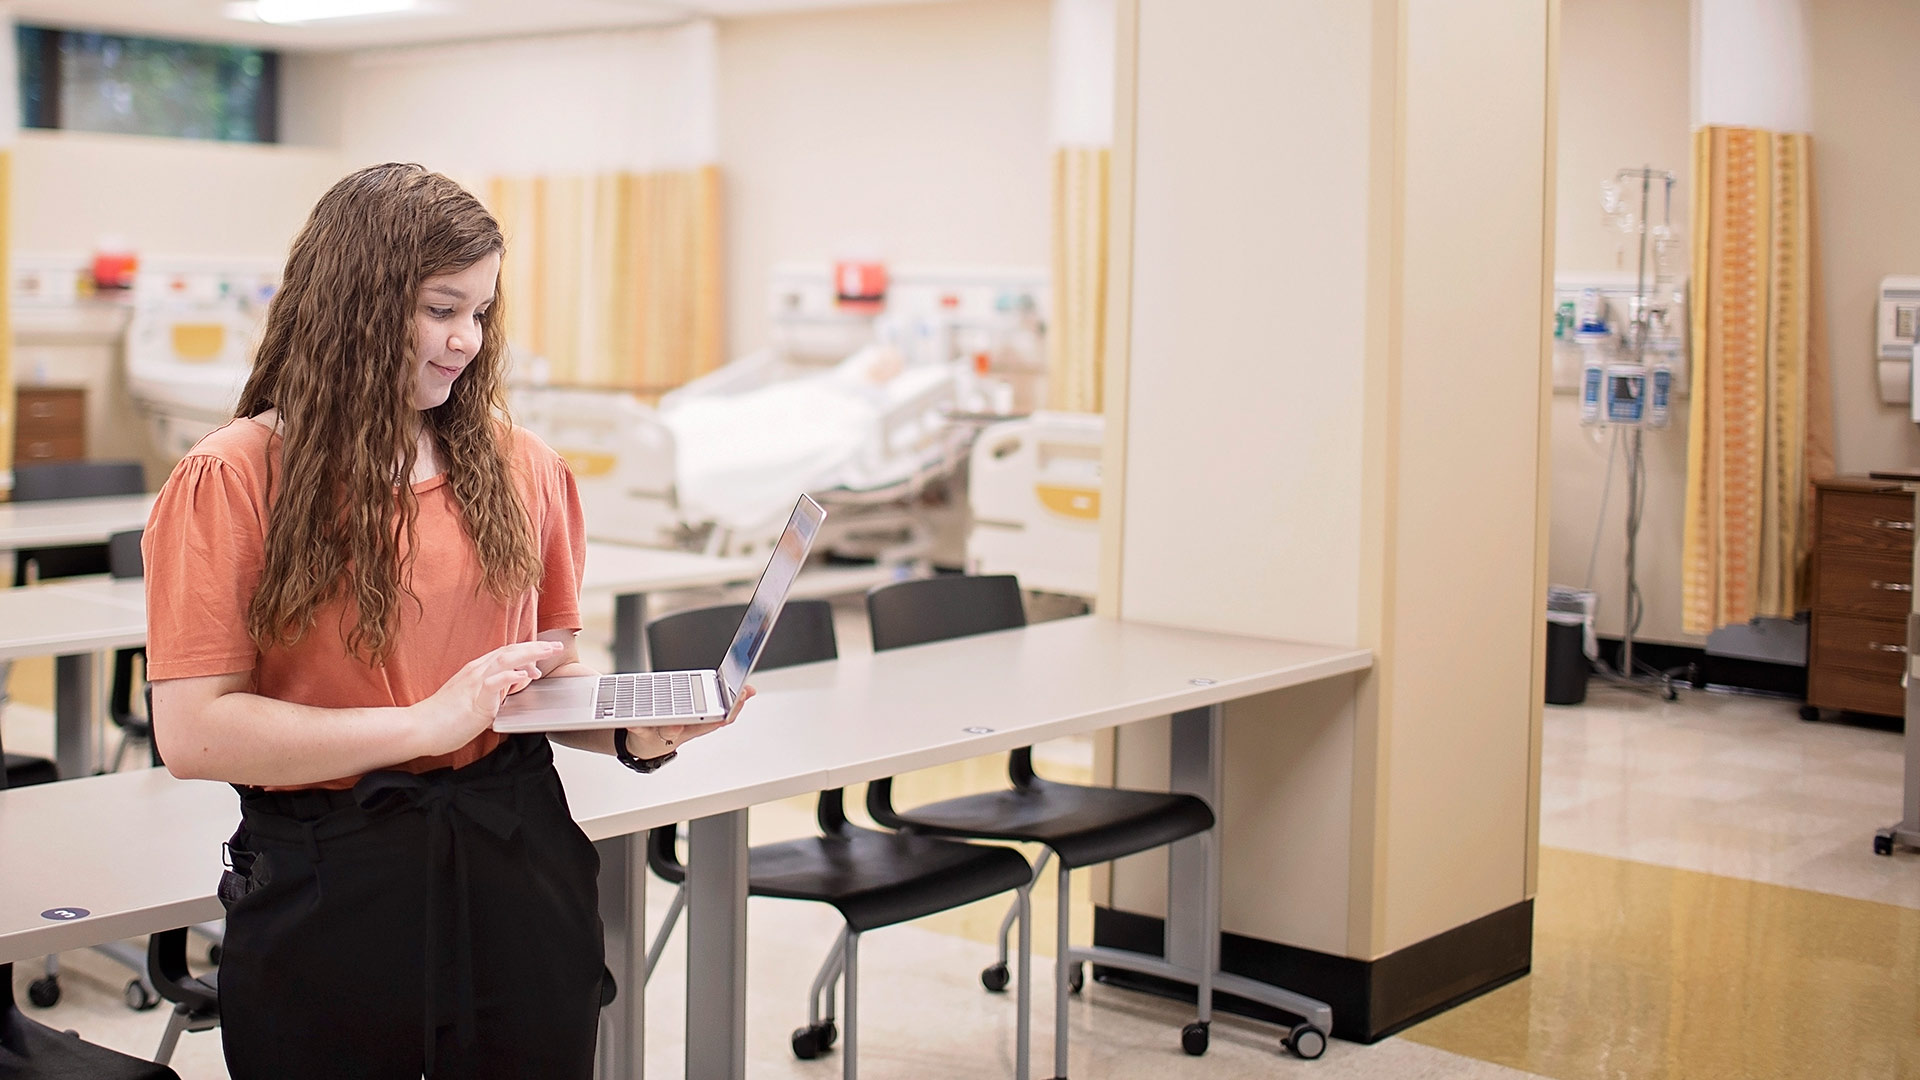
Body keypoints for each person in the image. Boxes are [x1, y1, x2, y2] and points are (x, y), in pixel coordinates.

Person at [143, 162, 749, 1080]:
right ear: (353, 301)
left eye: (481, 312)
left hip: (517, 858)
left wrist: (632, 726)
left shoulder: (522, 466)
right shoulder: (233, 477)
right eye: (439, 308)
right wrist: (424, 725)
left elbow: (538, 683)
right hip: (330, 877)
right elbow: (195, 732)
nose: (466, 339)